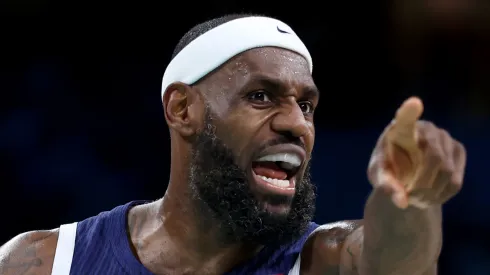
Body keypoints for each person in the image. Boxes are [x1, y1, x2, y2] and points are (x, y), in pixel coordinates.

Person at [0, 14, 466, 275]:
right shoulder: (43, 263)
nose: (296, 125)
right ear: (182, 109)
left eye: (306, 105)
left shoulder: (324, 260)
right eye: (261, 97)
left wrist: (411, 198)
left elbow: (395, 260)